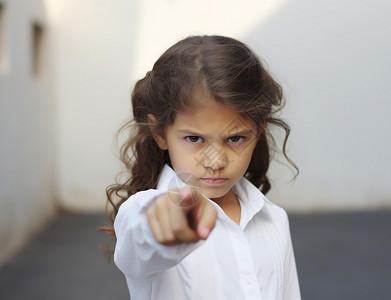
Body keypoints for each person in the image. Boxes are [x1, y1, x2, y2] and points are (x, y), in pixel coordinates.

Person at [103, 35, 301, 299]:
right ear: (160, 133)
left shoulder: (274, 220)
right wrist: (162, 222)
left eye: (235, 138)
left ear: (258, 131)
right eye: (194, 139)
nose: (216, 161)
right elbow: (140, 234)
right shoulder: (147, 213)